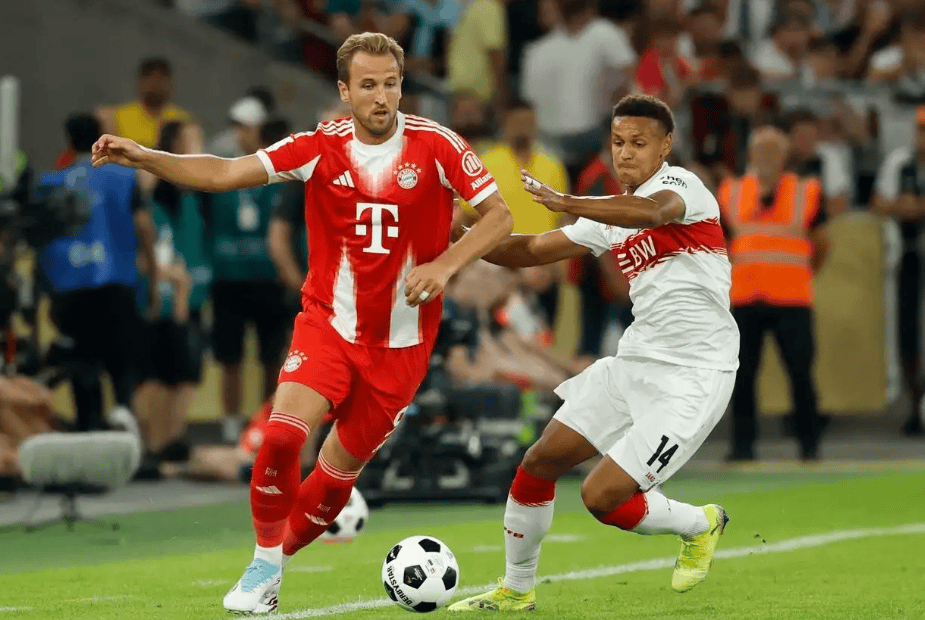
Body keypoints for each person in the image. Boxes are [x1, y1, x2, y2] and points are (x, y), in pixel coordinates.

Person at [91, 32, 513, 615]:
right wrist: (145, 155)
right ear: (344, 90)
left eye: (391, 84)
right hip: (328, 327)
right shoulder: (318, 146)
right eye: (368, 85)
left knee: (337, 471)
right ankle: (262, 564)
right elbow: (223, 172)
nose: (382, 97)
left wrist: (445, 265)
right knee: (283, 436)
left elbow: (498, 216)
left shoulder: (439, 145)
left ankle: (276, 563)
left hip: (402, 346)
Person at [448, 94, 739, 612]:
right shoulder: (608, 216)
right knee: (538, 462)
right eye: (618, 142)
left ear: (665, 146)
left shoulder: (682, 186)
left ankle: (700, 523)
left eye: (638, 143)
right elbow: (529, 250)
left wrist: (566, 201)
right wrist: (460, 233)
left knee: (602, 498)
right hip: (635, 362)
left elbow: (652, 213)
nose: (625, 153)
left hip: (695, 374)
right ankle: (516, 588)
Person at [39, 113, 156, 432]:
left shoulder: (50, 183)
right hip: (116, 283)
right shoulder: (124, 177)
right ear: (99, 138)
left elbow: (42, 239)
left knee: (81, 362)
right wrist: (153, 278)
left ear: (68, 141)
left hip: (69, 286)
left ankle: (88, 428)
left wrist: (46, 288)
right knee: (121, 361)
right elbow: (144, 228)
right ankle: (125, 422)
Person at [718, 126, 829, 461]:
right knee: (742, 376)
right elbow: (722, 243)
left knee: (800, 373)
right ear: (750, 155)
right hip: (745, 297)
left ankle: (809, 445)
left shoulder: (806, 191)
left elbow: (822, 241)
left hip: (792, 298)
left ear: (785, 156)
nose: (766, 157)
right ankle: (742, 447)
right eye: (760, 150)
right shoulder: (731, 192)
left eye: (773, 151)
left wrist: (804, 272)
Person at [871, 105, 925, 436]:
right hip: (910, 255)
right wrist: (902, 208)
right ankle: (915, 404)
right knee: (908, 334)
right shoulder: (900, 162)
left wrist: (916, 207)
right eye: (921, 129)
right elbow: (879, 202)